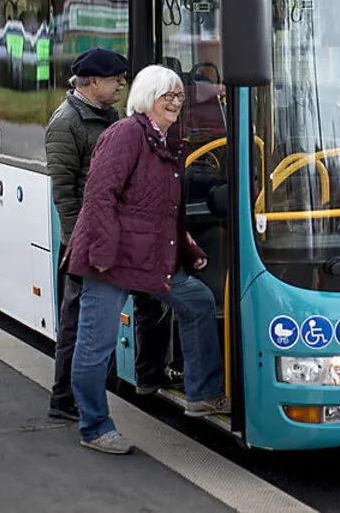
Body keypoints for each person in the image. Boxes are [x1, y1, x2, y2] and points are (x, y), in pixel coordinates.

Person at [67, 64, 229, 455]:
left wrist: (189, 250)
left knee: (198, 302)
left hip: (148, 257)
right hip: (111, 260)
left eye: (179, 95)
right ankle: (94, 426)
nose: (175, 102)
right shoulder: (125, 135)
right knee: (95, 343)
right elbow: (99, 197)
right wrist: (102, 254)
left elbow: (165, 212)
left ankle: (202, 394)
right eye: (167, 96)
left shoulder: (167, 139)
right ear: (146, 100)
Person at [45, 48, 128, 422]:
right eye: (115, 80)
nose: (122, 85)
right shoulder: (66, 123)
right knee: (77, 321)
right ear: (93, 82)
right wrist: (81, 242)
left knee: (95, 319)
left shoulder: (107, 116)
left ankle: (95, 389)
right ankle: (64, 398)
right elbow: (64, 193)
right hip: (83, 242)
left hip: (106, 237)